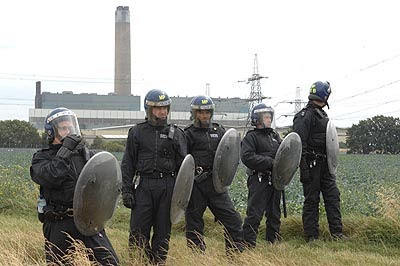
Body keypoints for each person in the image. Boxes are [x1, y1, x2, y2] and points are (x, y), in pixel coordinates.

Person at [30, 107, 119, 265]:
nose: (69, 131)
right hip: (59, 221)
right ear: (52, 132)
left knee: (109, 261)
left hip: (88, 219)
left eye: (70, 127)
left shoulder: (88, 156)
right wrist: (65, 151)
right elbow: (51, 177)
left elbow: (105, 183)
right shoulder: (42, 157)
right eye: (63, 128)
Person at [121, 89, 187, 265]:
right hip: (144, 186)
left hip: (168, 187)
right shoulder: (137, 132)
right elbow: (128, 163)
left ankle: (158, 262)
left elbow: (185, 167)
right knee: (138, 232)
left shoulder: (177, 134)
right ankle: (139, 262)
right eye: (158, 108)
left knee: (163, 233)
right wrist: (126, 190)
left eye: (165, 108)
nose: (162, 112)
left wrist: (182, 197)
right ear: (149, 109)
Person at [184, 95, 244, 254]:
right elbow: (183, 163)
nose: (204, 115)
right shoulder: (188, 134)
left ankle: (235, 257)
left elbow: (230, 154)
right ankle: (197, 258)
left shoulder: (219, 131)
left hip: (217, 184)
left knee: (233, 220)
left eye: (207, 112)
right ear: (194, 113)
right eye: (200, 112)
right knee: (194, 224)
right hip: (196, 186)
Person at [293, 81, 346, 242]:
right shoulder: (305, 116)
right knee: (311, 200)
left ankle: (337, 233)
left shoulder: (322, 115)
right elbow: (299, 144)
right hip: (311, 164)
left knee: (333, 197)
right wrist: (304, 169)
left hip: (325, 166)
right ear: (325, 96)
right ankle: (311, 237)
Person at [240, 103, 282, 247]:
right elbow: (247, 157)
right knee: (254, 213)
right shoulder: (251, 137)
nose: (269, 119)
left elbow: (284, 154)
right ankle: (248, 242)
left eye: (270, 117)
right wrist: (270, 162)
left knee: (274, 213)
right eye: (266, 117)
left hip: (274, 179)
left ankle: (273, 240)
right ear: (257, 119)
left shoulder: (275, 136)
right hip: (258, 179)